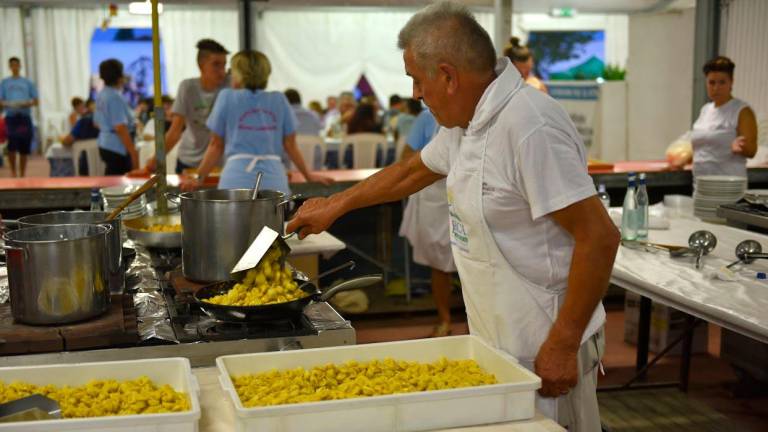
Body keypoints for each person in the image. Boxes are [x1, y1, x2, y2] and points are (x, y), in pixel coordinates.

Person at [286, 2, 618, 430]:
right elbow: (410, 171)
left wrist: (563, 342)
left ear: (448, 75)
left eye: (416, 80)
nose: (415, 95)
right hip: (496, 339)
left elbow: (599, 236)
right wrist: (336, 204)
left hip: (544, 338)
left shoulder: (529, 126)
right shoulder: (467, 124)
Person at [180, 50, 332, 194]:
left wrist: (199, 178)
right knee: (273, 222)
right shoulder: (279, 99)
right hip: (274, 179)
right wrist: (308, 175)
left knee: (234, 221)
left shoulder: (226, 97)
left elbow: (215, 145)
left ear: (239, 75)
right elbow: (290, 145)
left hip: (236, 179)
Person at [133, 39, 229, 176]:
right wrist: (150, 166)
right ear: (201, 65)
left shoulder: (230, 86)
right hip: (189, 161)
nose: (222, 71)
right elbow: (174, 132)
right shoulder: (188, 88)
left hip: (219, 164)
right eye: (216, 65)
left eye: (224, 65)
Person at [399, 109, 456, 337]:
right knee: (439, 264)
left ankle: (477, 323)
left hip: (466, 192)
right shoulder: (426, 118)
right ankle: (445, 320)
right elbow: (406, 158)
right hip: (436, 198)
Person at [681, 56, 757, 177]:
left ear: (731, 82)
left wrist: (742, 148)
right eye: (712, 82)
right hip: (701, 186)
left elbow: (752, 150)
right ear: (706, 83)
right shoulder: (705, 110)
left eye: (722, 82)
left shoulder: (742, 111)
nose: (716, 88)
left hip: (728, 187)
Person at [94, 58, 138, 175]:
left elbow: (96, 122)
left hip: (105, 143)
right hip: (117, 147)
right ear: (120, 76)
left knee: (112, 179)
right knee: (119, 184)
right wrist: (132, 152)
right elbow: (120, 127)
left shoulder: (101, 94)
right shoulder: (114, 97)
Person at [0, 57, 39, 177]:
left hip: (24, 117)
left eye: (16, 65)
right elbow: (1, 101)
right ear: (10, 67)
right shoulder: (5, 83)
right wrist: (7, 104)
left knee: (24, 146)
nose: (14, 67)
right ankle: (13, 172)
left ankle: (22, 173)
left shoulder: (27, 82)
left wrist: (27, 103)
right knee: (11, 145)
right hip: (11, 118)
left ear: (19, 66)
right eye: (12, 65)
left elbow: (36, 101)